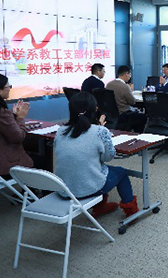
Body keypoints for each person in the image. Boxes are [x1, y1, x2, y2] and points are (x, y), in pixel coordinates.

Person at [54, 91, 138, 219]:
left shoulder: (60, 131)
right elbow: (108, 157)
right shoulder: (100, 131)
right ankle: (131, 211)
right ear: (95, 109)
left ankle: (100, 207)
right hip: (88, 189)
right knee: (120, 172)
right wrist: (102, 130)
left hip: (64, 189)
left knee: (95, 169)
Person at [105, 65, 147, 133]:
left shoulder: (108, 84)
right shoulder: (124, 86)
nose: (130, 76)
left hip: (112, 115)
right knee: (143, 117)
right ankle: (137, 135)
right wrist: (130, 90)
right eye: (130, 74)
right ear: (126, 74)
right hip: (124, 114)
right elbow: (132, 102)